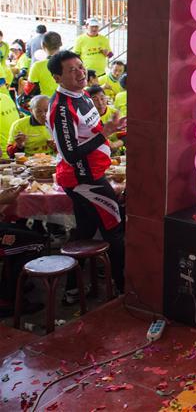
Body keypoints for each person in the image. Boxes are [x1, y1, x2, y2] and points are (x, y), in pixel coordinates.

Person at [47, 50, 126, 298]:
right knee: (114, 227)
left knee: (85, 231)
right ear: (57, 77)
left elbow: (90, 133)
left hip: (93, 173)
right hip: (84, 180)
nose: (81, 73)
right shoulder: (62, 108)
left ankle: (71, 287)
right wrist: (105, 134)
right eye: (72, 70)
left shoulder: (84, 96)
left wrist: (109, 129)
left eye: (81, 67)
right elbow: (70, 154)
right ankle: (124, 288)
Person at [27, 31, 62, 96]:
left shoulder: (37, 66)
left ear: (42, 45)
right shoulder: (70, 62)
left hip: (46, 103)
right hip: (68, 102)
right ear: (61, 44)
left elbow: (29, 89)